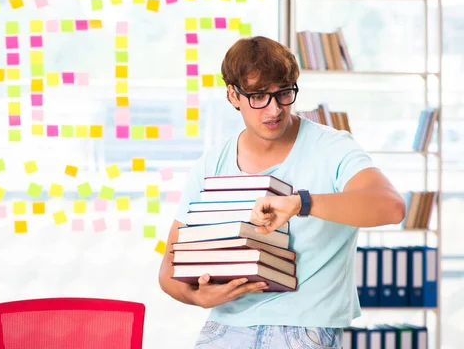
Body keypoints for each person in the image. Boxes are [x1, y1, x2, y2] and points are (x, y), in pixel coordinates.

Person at [158, 36, 405, 348]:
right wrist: (197, 296)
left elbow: (391, 207)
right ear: (233, 95)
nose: (274, 109)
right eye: (258, 96)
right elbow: (169, 268)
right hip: (224, 329)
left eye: (283, 93)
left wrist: (302, 203)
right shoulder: (212, 164)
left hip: (304, 331)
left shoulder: (332, 148)